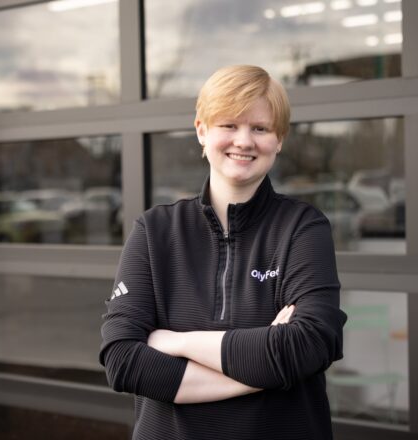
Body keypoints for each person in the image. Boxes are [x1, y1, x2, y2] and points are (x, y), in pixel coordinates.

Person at [99, 65, 347, 440]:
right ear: (202, 131)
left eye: (260, 128)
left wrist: (179, 342)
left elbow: (309, 345)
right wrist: (264, 371)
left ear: (279, 139)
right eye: (229, 125)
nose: (244, 141)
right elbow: (123, 361)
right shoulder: (154, 232)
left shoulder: (303, 228)